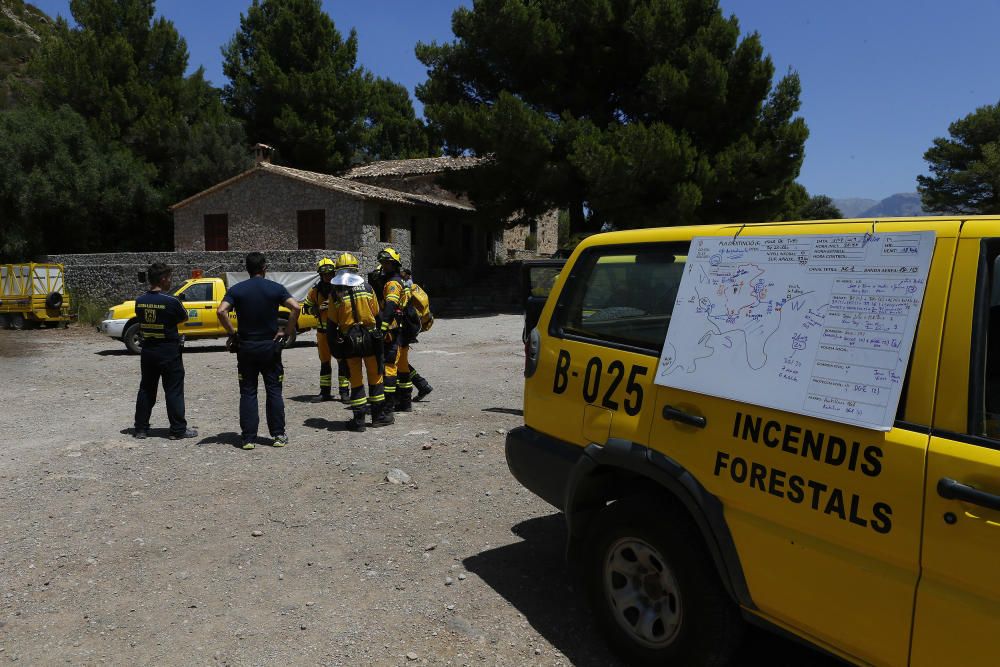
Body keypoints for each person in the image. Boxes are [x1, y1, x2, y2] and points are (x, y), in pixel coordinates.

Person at [217, 252, 300, 450]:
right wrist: (286, 332)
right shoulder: (275, 289)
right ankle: (278, 435)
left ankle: (248, 438)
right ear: (264, 267)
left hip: (246, 347)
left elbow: (221, 311)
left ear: (247, 268)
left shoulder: (237, 290)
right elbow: (295, 308)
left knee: (248, 392)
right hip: (269, 347)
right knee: (274, 391)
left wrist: (232, 334)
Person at [133, 263, 197, 440]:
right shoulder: (171, 301)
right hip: (169, 350)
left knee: (146, 389)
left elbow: (140, 319)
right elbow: (183, 317)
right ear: (162, 279)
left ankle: (140, 429)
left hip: (148, 351)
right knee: (173, 390)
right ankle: (177, 430)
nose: (171, 281)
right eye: (169, 278)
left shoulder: (140, 301)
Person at [328, 266, 392, 431]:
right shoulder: (368, 287)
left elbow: (331, 325)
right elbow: (378, 315)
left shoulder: (335, 292)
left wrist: (335, 350)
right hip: (371, 340)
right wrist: (382, 336)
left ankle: (359, 422)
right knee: (375, 376)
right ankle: (378, 418)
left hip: (349, 343)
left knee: (355, 379)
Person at [302, 258, 348, 403]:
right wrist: (317, 308)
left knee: (342, 361)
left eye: (330, 273)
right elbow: (306, 308)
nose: (328, 277)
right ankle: (325, 392)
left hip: (338, 331)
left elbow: (348, 308)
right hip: (322, 333)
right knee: (325, 362)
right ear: (320, 275)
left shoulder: (341, 289)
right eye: (325, 274)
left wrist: (335, 304)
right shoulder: (315, 291)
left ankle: (344, 392)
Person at [374, 247, 413, 416]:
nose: (384, 266)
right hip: (403, 329)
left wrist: (382, 328)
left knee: (389, 366)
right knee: (403, 366)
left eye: (388, 263)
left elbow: (390, 306)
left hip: (394, 330)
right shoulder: (396, 280)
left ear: (395, 265)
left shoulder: (392, 283)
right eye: (383, 263)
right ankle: (405, 402)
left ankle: (388, 406)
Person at [398, 267, 433, 402]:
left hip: (402, 329)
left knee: (394, 362)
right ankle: (422, 384)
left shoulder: (402, 287)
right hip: (410, 328)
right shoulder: (414, 287)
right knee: (401, 361)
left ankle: (399, 395)